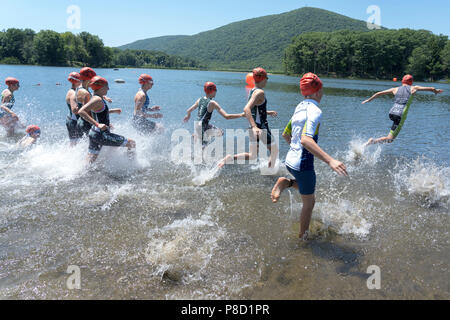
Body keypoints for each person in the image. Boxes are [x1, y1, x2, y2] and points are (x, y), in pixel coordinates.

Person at [271, 73, 348, 240]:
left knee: (308, 191)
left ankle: (288, 182)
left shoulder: (300, 106)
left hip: (290, 160)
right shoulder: (315, 110)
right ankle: (303, 237)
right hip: (303, 163)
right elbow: (306, 140)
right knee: (309, 203)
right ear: (318, 91)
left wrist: (295, 149)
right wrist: (331, 160)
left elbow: (286, 134)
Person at [218, 68, 278, 168]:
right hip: (259, 128)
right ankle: (270, 173)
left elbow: (256, 110)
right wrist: (255, 127)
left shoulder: (252, 91)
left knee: (252, 156)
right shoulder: (260, 93)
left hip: (253, 127)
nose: (267, 81)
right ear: (263, 79)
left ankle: (231, 158)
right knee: (274, 150)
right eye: (266, 78)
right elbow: (247, 109)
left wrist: (267, 112)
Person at [363, 74, 443, 145]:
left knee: (392, 130)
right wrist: (435, 91)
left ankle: (373, 142)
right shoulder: (413, 88)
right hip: (400, 115)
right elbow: (431, 88)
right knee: (390, 139)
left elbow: (378, 93)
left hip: (392, 113)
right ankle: (373, 141)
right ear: (411, 82)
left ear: (402, 81)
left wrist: (368, 100)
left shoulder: (395, 89)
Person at [78, 76, 136, 164]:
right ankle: (132, 165)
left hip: (94, 133)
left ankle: (79, 173)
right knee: (132, 143)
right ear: (101, 87)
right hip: (101, 134)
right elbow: (81, 111)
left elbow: (99, 113)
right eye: (106, 86)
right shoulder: (97, 99)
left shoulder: (95, 97)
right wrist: (98, 124)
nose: (108, 88)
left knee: (90, 160)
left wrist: (113, 111)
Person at [183, 81, 245, 146]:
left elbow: (188, 110)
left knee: (215, 135)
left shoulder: (200, 99)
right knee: (219, 133)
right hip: (203, 126)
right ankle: (198, 136)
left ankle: (197, 135)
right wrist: (241, 115)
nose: (216, 92)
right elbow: (226, 116)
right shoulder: (212, 103)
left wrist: (188, 116)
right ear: (212, 91)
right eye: (216, 90)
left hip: (198, 125)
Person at [76, 67, 97, 136]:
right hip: (86, 124)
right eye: (92, 79)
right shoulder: (86, 93)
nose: (93, 81)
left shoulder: (78, 89)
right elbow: (87, 112)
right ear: (89, 79)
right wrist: (97, 123)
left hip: (79, 122)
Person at [65, 72, 83, 146]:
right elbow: (75, 110)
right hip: (73, 121)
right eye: (81, 81)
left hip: (70, 119)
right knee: (74, 144)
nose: (82, 82)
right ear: (77, 81)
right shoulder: (73, 94)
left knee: (73, 143)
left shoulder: (71, 91)